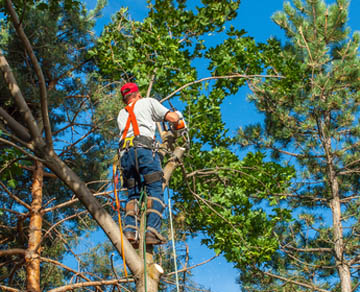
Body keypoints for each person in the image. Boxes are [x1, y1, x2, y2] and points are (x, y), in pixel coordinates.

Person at [117, 82, 181, 247]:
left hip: (125, 157)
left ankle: (131, 231)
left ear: (125, 99)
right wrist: (178, 119)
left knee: (133, 195)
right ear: (138, 94)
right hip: (144, 151)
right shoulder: (147, 102)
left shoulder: (121, 114)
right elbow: (173, 118)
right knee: (155, 191)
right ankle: (152, 232)